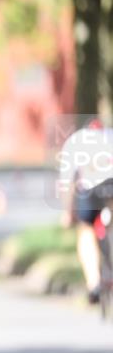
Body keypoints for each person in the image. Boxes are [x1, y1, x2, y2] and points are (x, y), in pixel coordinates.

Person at [60, 119, 113, 304]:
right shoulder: (110, 135)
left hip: (91, 189)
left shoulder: (74, 142)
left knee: (86, 230)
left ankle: (94, 282)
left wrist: (68, 213)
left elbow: (67, 182)